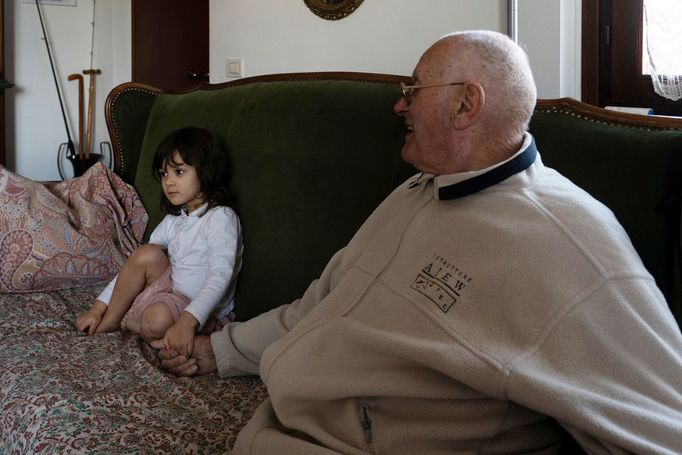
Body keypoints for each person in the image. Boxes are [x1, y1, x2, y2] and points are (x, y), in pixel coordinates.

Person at [159, 31, 682, 453]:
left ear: (465, 105)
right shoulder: (416, 191)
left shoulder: (570, 240)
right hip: (276, 425)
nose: (398, 106)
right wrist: (220, 352)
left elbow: (665, 423)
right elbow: (319, 305)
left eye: (412, 91)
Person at [75, 127, 243, 358]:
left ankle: (143, 328)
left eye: (179, 172)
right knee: (147, 253)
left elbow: (220, 275)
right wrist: (98, 307)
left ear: (206, 170)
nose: (169, 182)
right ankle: (109, 322)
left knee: (155, 320)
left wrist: (187, 321)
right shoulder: (174, 221)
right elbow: (134, 265)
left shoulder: (221, 218)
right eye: (164, 174)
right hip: (171, 296)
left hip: (200, 313)